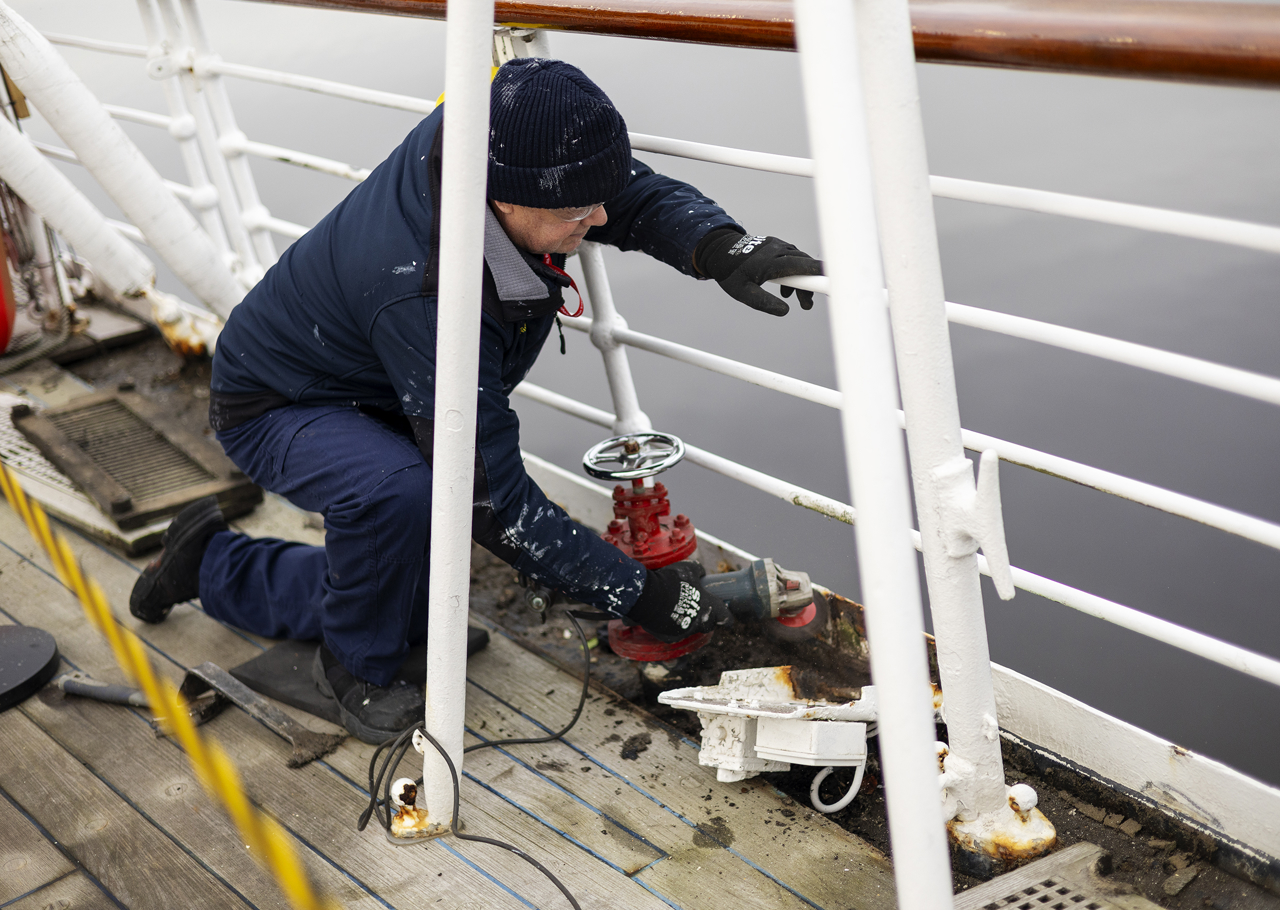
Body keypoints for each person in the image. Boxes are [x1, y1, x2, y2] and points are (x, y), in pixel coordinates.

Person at [129, 58, 822, 744]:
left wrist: (722, 246)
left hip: (375, 382)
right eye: (577, 210)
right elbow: (490, 498)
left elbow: (623, 196)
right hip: (277, 401)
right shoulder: (428, 288)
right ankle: (352, 670)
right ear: (505, 198)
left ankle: (210, 565)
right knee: (403, 495)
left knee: (408, 590)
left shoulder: (492, 135)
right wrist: (641, 594)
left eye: (597, 198)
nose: (602, 218)